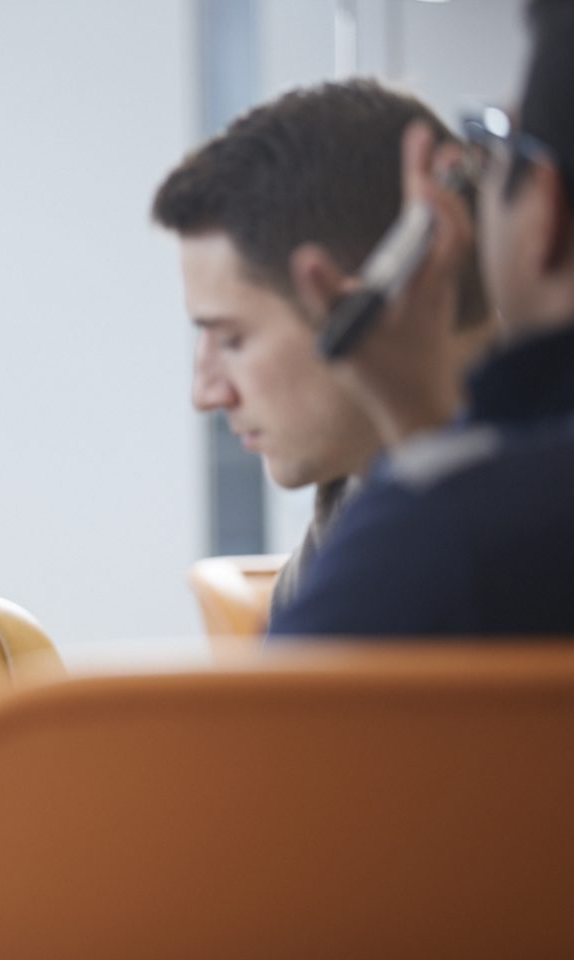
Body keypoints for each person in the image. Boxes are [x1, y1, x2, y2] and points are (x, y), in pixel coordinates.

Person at [270, 0, 574, 635]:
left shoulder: (444, 542)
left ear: (544, 212)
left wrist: (420, 471)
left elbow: (273, 723)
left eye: (495, 143)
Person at [151, 79, 492, 616]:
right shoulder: (350, 496)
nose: (207, 393)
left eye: (232, 339)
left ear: (380, 305)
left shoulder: (530, 514)